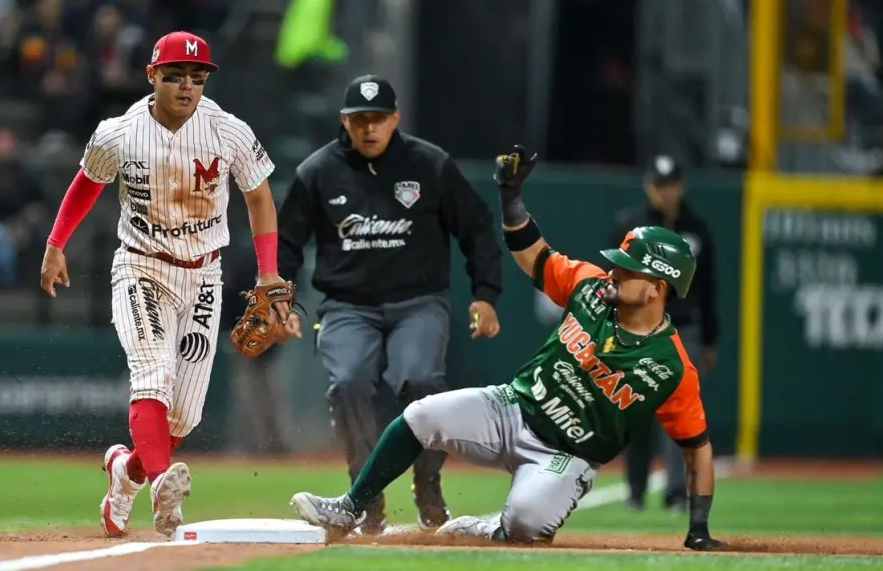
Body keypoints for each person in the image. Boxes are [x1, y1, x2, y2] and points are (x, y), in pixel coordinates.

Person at [288, 145, 726, 552]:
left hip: (566, 456)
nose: (614, 271)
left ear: (657, 289)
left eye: (628, 270)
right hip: (513, 407)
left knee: (526, 524)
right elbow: (532, 253)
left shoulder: (671, 367)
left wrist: (699, 529)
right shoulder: (590, 285)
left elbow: (697, 448)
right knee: (420, 415)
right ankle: (350, 507)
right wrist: (510, 195)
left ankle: (487, 528)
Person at [39, 31, 295, 538]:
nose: (186, 85)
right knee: (151, 375)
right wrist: (55, 244)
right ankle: (160, 485)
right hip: (141, 266)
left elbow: (260, 198)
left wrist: (268, 271)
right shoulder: (119, 133)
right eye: (175, 75)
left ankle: (125, 474)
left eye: (197, 77)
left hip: (204, 275)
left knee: (183, 417)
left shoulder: (227, 131)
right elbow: (86, 183)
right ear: (152, 76)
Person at [277, 74, 503, 534]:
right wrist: (280, 297)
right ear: (345, 121)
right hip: (346, 306)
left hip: (417, 302)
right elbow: (285, 242)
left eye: (378, 118)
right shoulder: (318, 171)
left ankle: (427, 481)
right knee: (348, 383)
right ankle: (365, 494)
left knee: (419, 380)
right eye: (360, 120)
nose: (369, 129)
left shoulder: (429, 164)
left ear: (395, 118)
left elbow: (478, 228)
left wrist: (486, 295)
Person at [610, 154, 719, 513]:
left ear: (681, 186)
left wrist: (709, 339)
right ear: (648, 186)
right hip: (637, 329)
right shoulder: (631, 224)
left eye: (669, 185)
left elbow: (709, 288)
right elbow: (612, 279)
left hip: (682, 327)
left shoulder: (698, 227)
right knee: (635, 411)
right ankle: (636, 491)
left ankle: (675, 493)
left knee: (679, 411)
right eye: (658, 185)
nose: (664, 193)